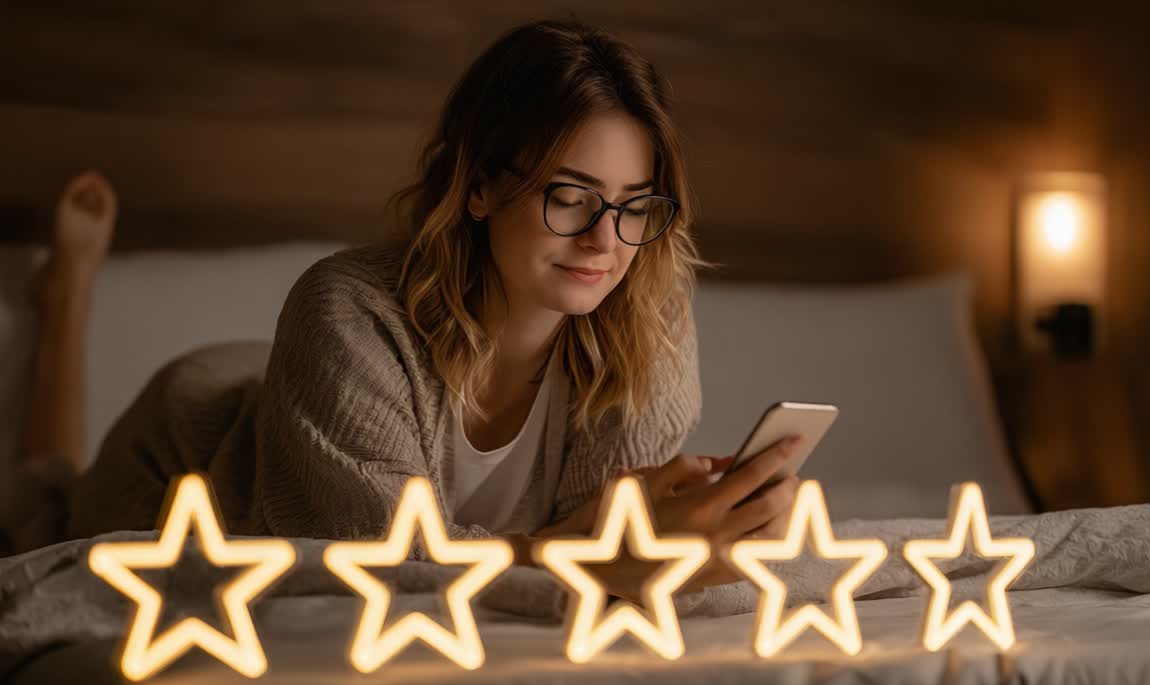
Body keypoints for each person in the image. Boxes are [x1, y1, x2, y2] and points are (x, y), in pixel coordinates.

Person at [3, 20, 802, 605]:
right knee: (43, 512)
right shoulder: (342, 313)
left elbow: (590, 547)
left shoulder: (650, 322)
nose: (606, 240)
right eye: (571, 196)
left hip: (330, 404)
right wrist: (606, 559)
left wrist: (707, 530)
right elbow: (376, 571)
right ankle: (68, 296)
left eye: (634, 207)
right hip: (196, 442)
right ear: (481, 186)